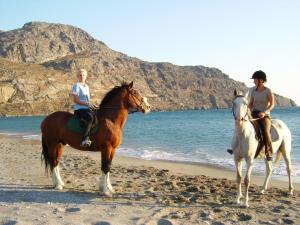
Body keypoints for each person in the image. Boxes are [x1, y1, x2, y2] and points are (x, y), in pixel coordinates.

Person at [248, 70, 275, 161]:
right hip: (254, 113)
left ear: (261, 80)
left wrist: (265, 112)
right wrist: (251, 109)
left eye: (255, 79)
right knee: (241, 125)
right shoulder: (254, 91)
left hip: (264, 115)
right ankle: (236, 148)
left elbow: (272, 104)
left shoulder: (268, 91)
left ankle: (268, 152)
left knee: (265, 132)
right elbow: (250, 103)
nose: (253, 81)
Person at [72, 68, 93, 147]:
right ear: (77, 76)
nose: (82, 76)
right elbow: (75, 100)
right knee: (90, 118)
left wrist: (91, 104)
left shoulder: (87, 86)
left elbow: (87, 99)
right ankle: (84, 140)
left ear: (86, 76)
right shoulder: (76, 86)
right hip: (79, 109)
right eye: (80, 75)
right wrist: (87, 104)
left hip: (86, 108)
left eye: (83, 75)